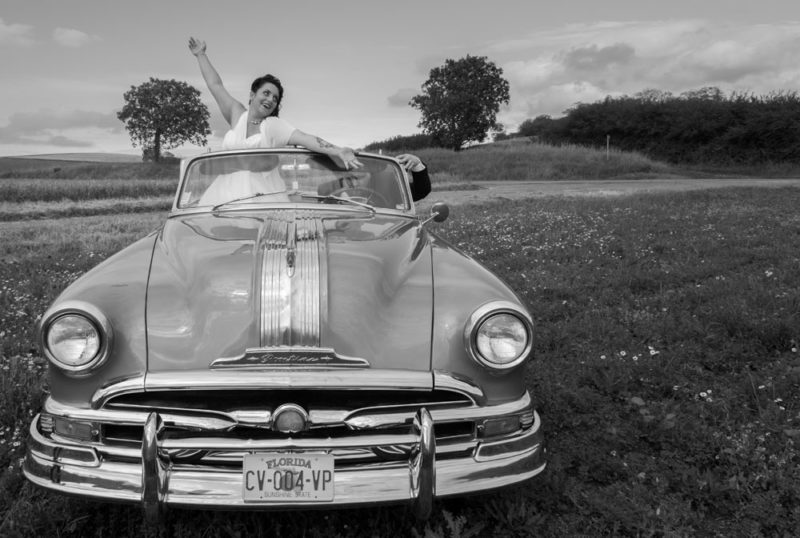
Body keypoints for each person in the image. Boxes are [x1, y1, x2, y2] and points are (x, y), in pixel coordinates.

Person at [188, 37, 361, 170]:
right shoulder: (236, 113)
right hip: (227, 192)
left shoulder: (273, 126)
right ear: (252, 95)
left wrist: (338, 150)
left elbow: (306, 138)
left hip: (259, 192)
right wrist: (201, 55)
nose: (270, 100)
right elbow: (215, 85)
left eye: (275, 98)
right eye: (266, 93)